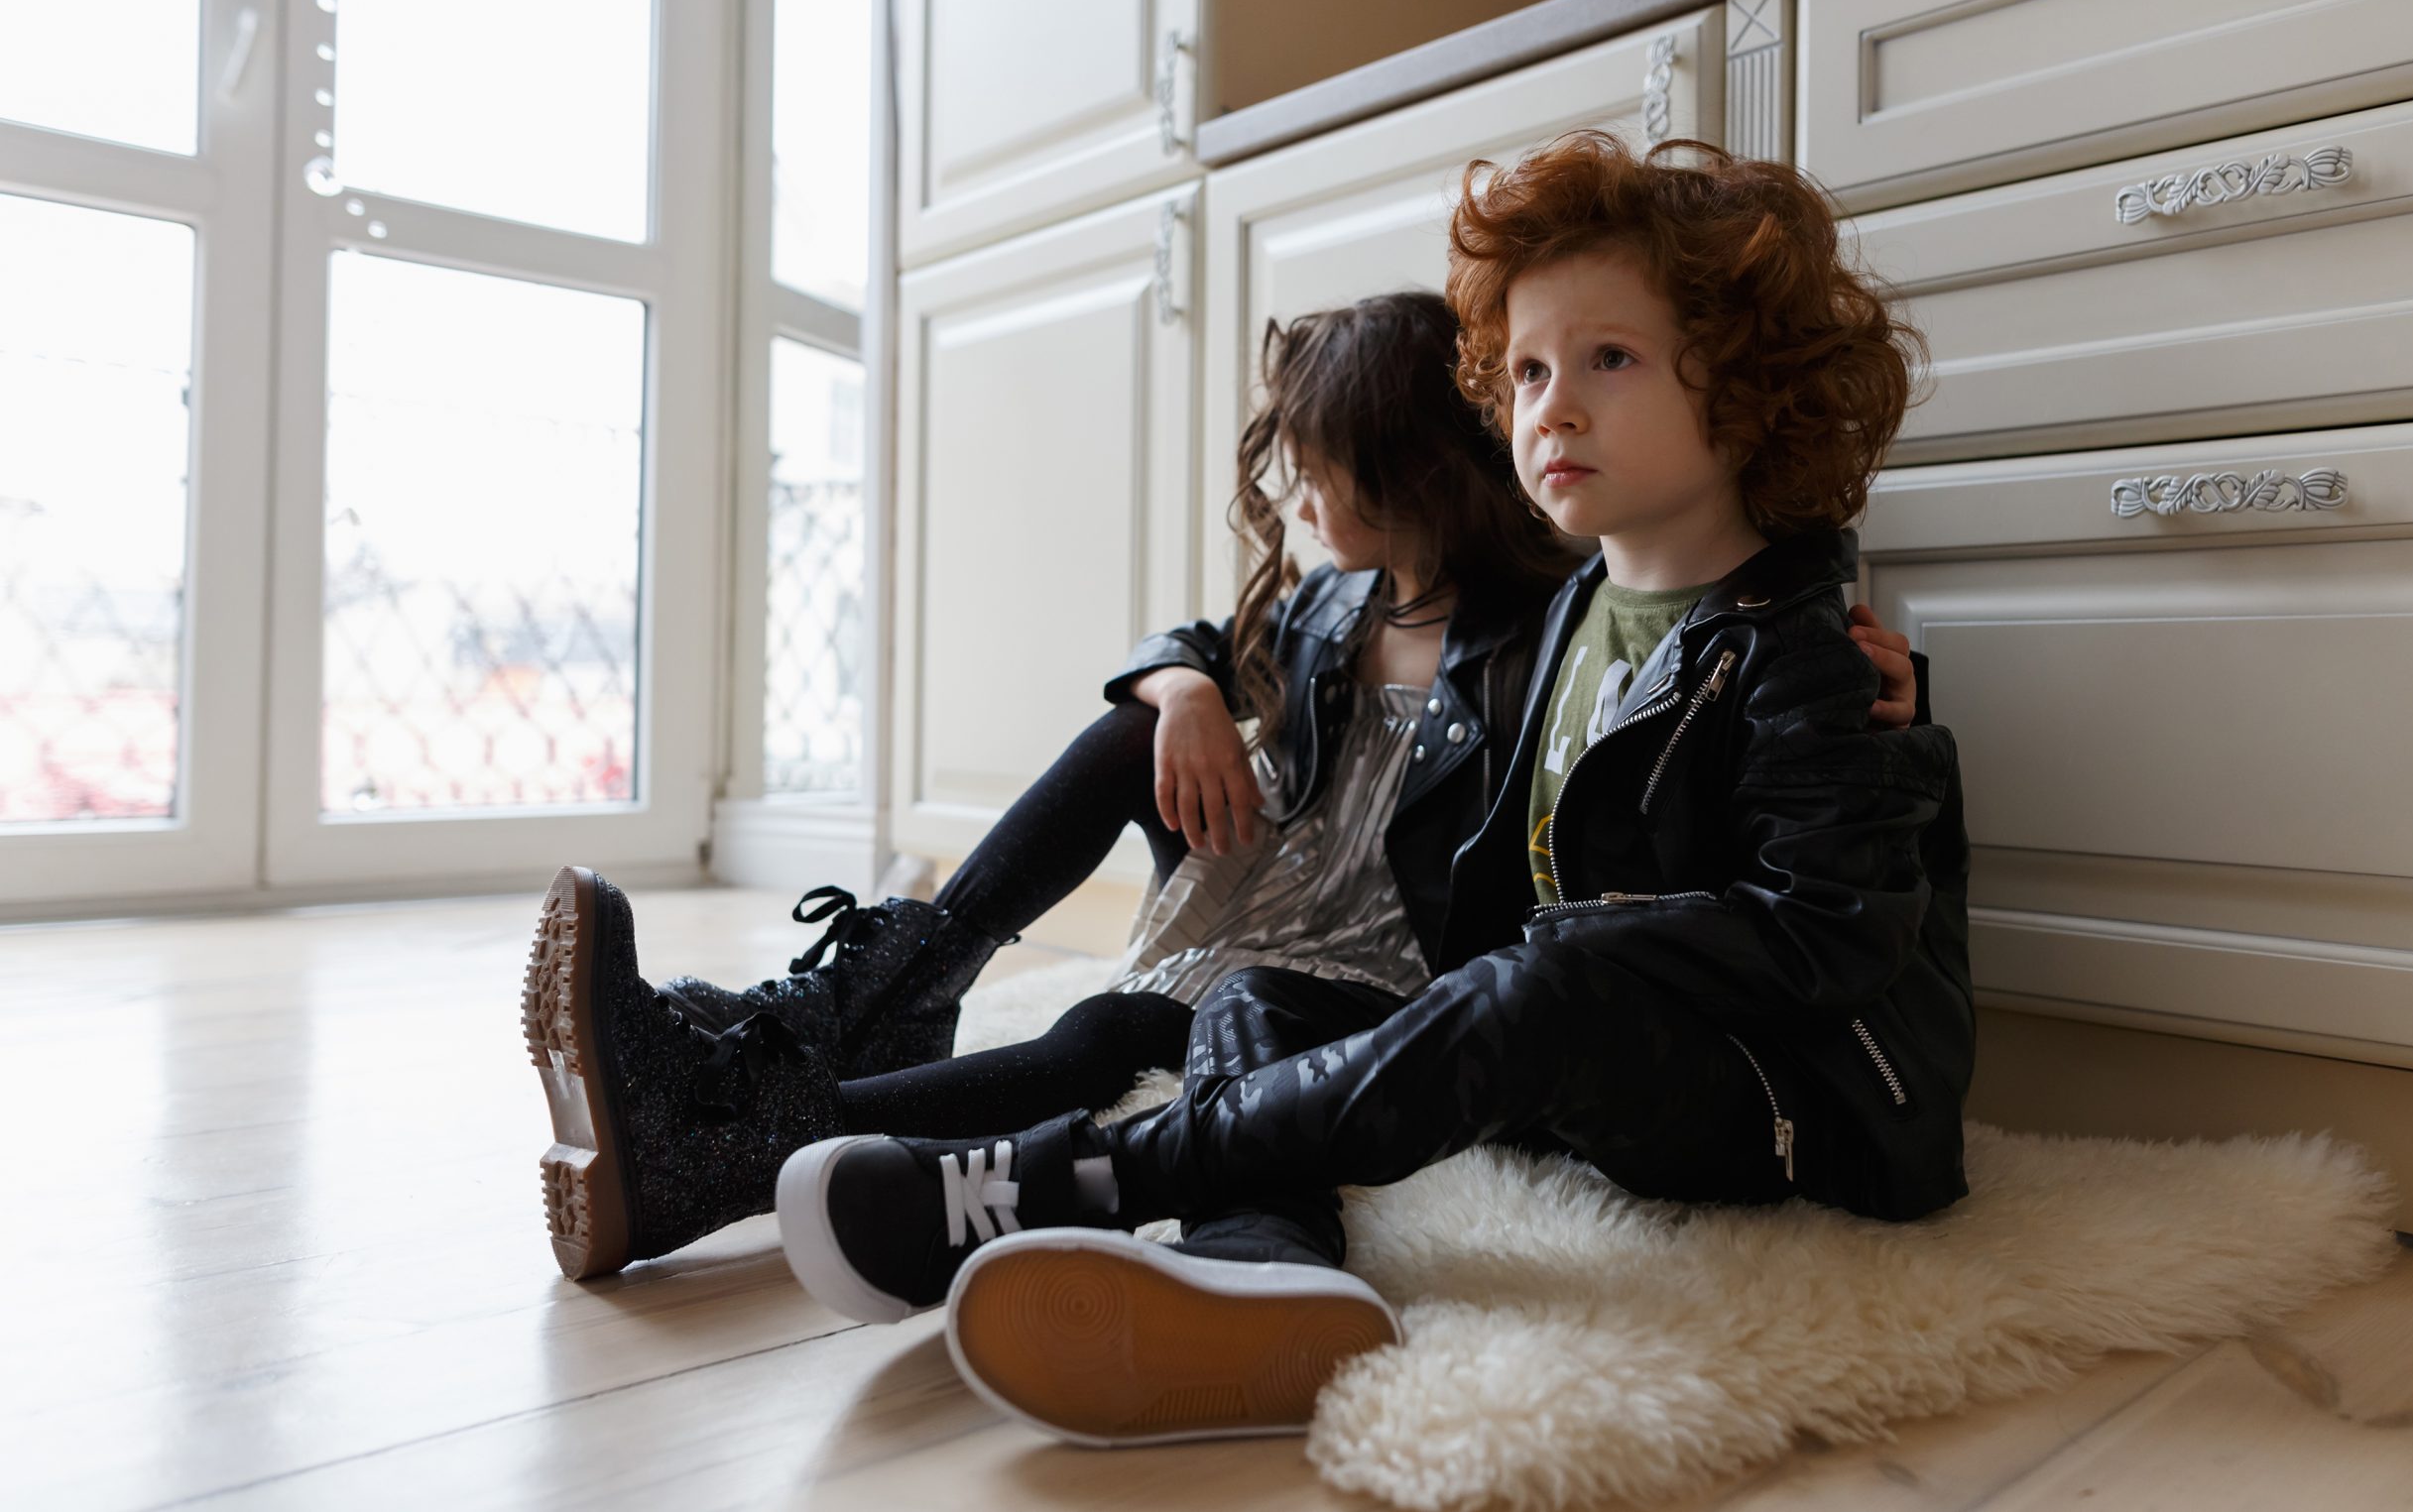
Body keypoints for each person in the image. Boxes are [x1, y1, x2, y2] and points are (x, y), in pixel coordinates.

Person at [768, 130, 1974, 1451]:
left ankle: (1080, 1178)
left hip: (1805, 1109)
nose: (1553, 407)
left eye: (1609, 359)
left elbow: (1826, 931)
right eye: (1528, 371)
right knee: (1254, 994)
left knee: (1538, 985)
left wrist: (1567, 954)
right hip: (1597, 1065)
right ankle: (1263, 1270)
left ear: (1749, 387)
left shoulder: (1808, 652)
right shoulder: (1576, 605)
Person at [522, 292, 1920, 1281]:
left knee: (1101, 1035)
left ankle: (732, 1142)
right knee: (1132, 736)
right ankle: (884, 986)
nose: (1297, 497)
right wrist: (1182, 689)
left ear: (1414, 470)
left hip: (1364, 967)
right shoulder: (1329, 605)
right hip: (1260, 893)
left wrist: (1878, 674)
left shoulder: (1542, 620)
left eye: (1322, 469)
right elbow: (1196, 641)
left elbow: (1698, 639)